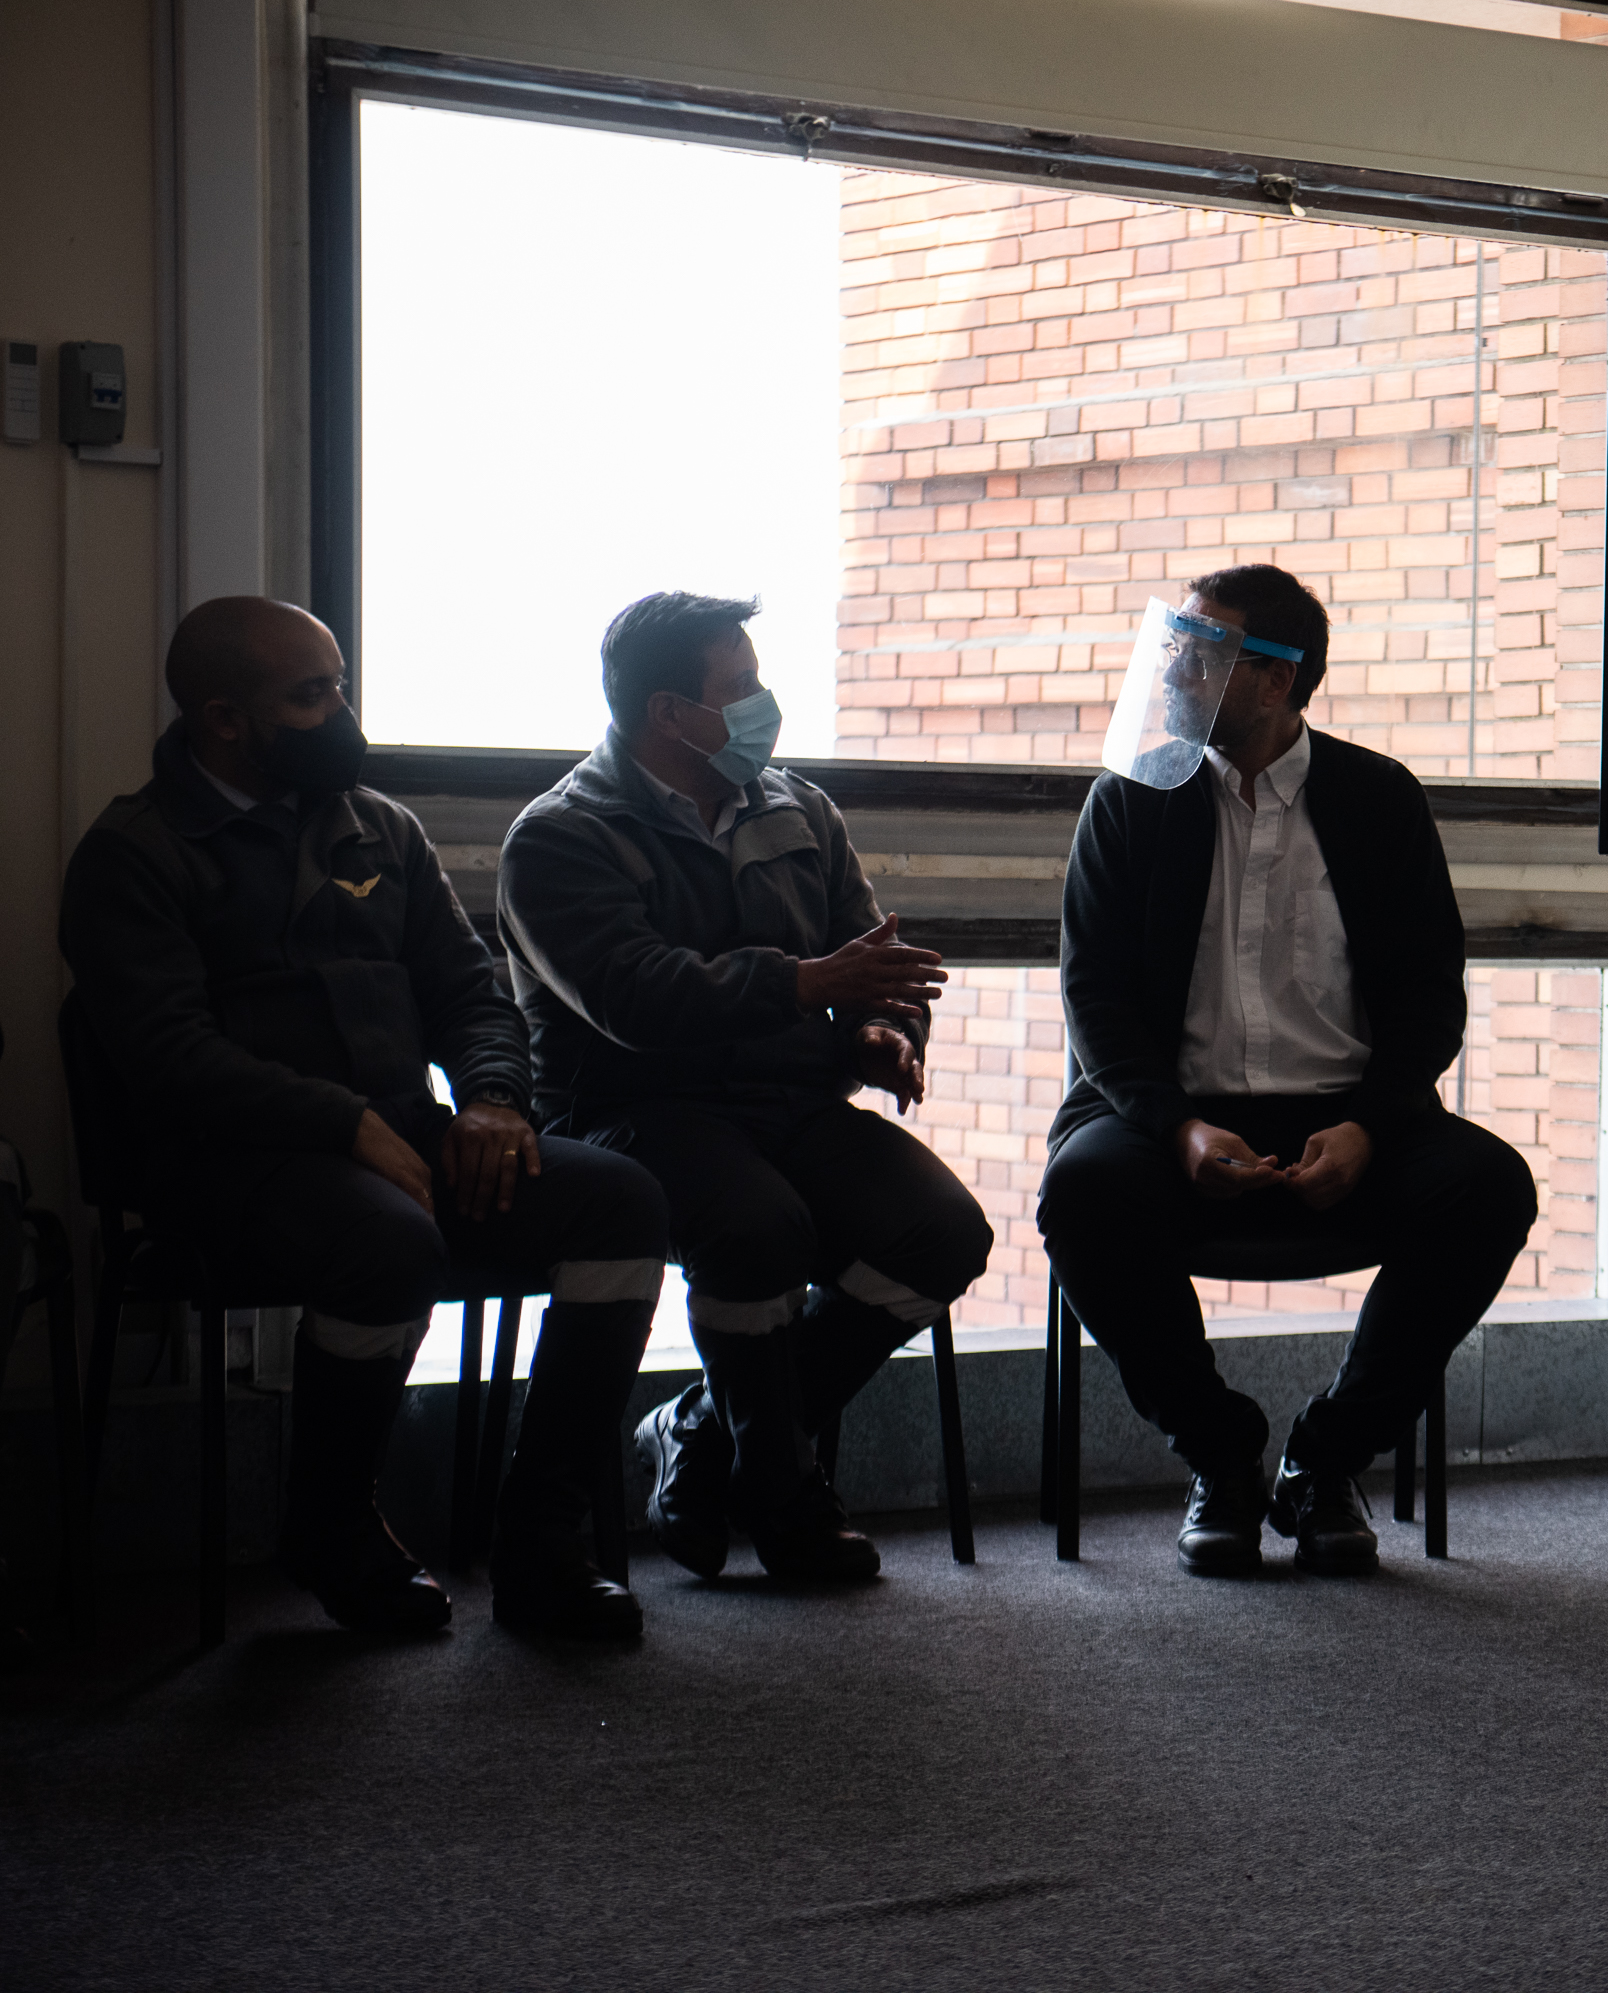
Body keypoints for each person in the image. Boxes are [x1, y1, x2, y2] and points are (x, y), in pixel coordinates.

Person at [59, 598, 670, 1640]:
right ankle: (330, 1525)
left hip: (396, 1137)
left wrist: (492, 1101)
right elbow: (169, 1060)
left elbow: (472, 993)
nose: (342, 715)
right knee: (388, 1241)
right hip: (228, 1162)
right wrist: (343, 1124)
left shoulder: (379, 827)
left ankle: (541, 1532)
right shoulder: (135, 854)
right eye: (311, 696)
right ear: (224, 720)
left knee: (621, 1203)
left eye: (340, 684)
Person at [1039, 563, 1537, 1576]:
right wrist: (1177, 1125)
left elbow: (1430, 995)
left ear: (1276, 679)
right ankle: (1221, 1457)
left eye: (1200, 650)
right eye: (1175, 645)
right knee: (1082, 1195)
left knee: (1488, 1189)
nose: (1174, 668)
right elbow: (1095, 999)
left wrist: (1370, 1126)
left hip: (1348, 1117)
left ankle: (1326, 1460)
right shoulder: (1133, 799)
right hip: (1168, 1119)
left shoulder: (1379, 798)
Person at [498, 592, 991, 1585]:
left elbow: (869, 960)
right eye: (743, 686)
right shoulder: (561, 836)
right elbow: (636, 997)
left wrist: (883, 1034)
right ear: (670, 713)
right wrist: (805, 985)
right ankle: (780, 1492)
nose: (766, 704)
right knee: (757, 1225)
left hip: (791, 1104)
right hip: (635, 1111)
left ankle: (699, 1431)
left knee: (944, 1234)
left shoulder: (798, 808)